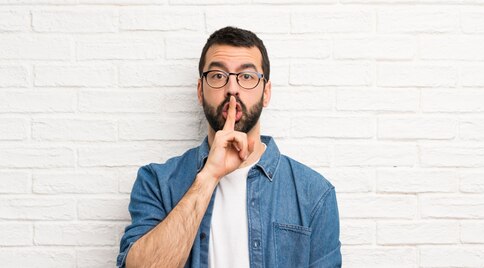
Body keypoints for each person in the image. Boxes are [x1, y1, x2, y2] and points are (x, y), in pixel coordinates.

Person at [116, 26, 341, 268]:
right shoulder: (157, 182)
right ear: (200, 90)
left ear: (266, 93)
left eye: (247, 77)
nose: (232, 89)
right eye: (218, 76)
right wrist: (208, 176)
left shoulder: (315, 193)